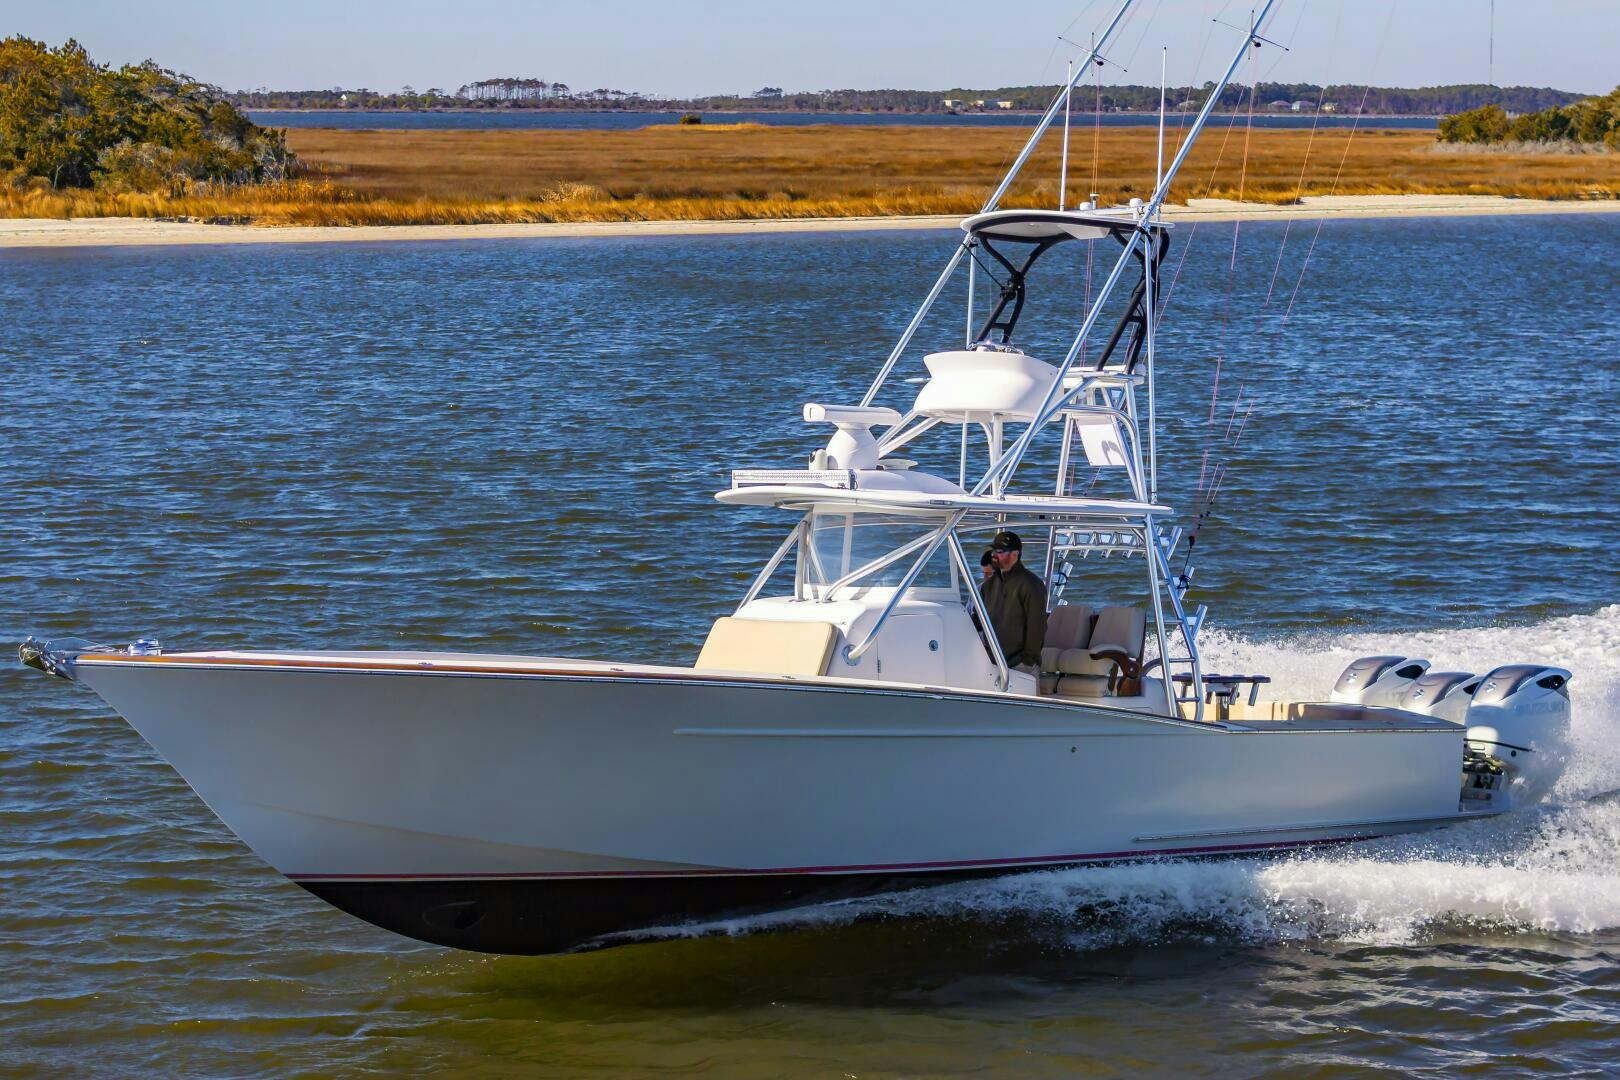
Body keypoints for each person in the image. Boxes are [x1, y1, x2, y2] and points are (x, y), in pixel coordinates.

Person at [977, 530, 1047, 673]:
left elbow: (1037, 626)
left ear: (1015, 555)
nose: (994, 555)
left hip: (1021, 665)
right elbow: (978, 619)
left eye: (1000, 551)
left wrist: (1028, 660)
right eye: (993, 550)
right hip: (992, 664)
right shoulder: (988, 586)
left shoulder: (1031, 584)